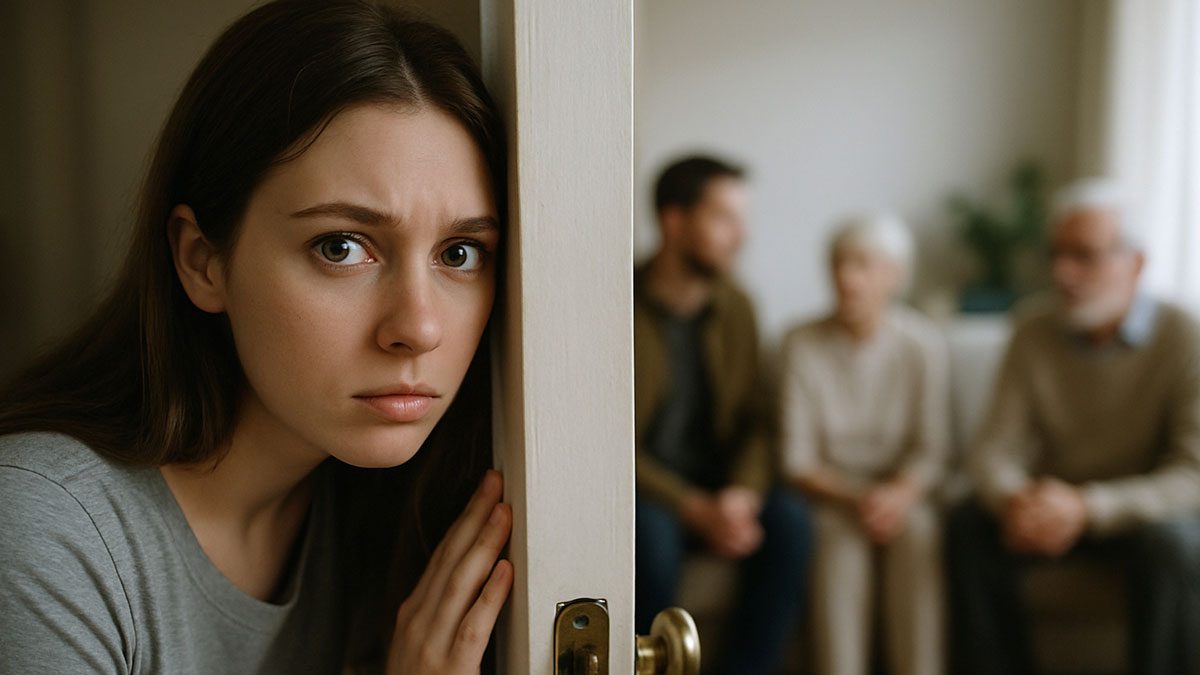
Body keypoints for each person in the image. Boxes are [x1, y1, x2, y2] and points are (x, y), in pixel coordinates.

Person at [0, 2, 513, 673]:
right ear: (202, 260)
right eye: (341, 246)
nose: (418, 328)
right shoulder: (43, 531)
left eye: (459, 253)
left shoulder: (397, 519)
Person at [946, 178, 1200, 675]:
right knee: (966, 524)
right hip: (1048, 509)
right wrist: (1017, 500)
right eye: (1056, 254)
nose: (1062, 272)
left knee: (1175, 546)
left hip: (1134, 517)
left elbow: (1192, 474)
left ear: (1135, 263)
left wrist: (1088, 507)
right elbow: (993, 450)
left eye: (1083, 255)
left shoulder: (1183, 338)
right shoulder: (1031, 330)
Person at [634, 155, 812, 674]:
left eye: (743, 219)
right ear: (674, 221)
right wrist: (691, 507)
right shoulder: (616, 302)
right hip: (651, 492)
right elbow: (606, 441)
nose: (743, 236)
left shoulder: (738, 306)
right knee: (650, 537)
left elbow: (758, 421)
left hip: (719, 483)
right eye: (724, 218)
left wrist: (743, 494)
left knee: (791, 521)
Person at [780, 214, 950, 675]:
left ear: (895, 275)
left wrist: (896, 495)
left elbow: (932, 450)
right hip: (831, 495)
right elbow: (797, 460)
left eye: (862, 264)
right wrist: (858, 498)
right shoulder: (800, 343)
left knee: (919, 532)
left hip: (901, 494)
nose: (845, 277)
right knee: (839, 546)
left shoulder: (924, 344)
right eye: (838, 263)